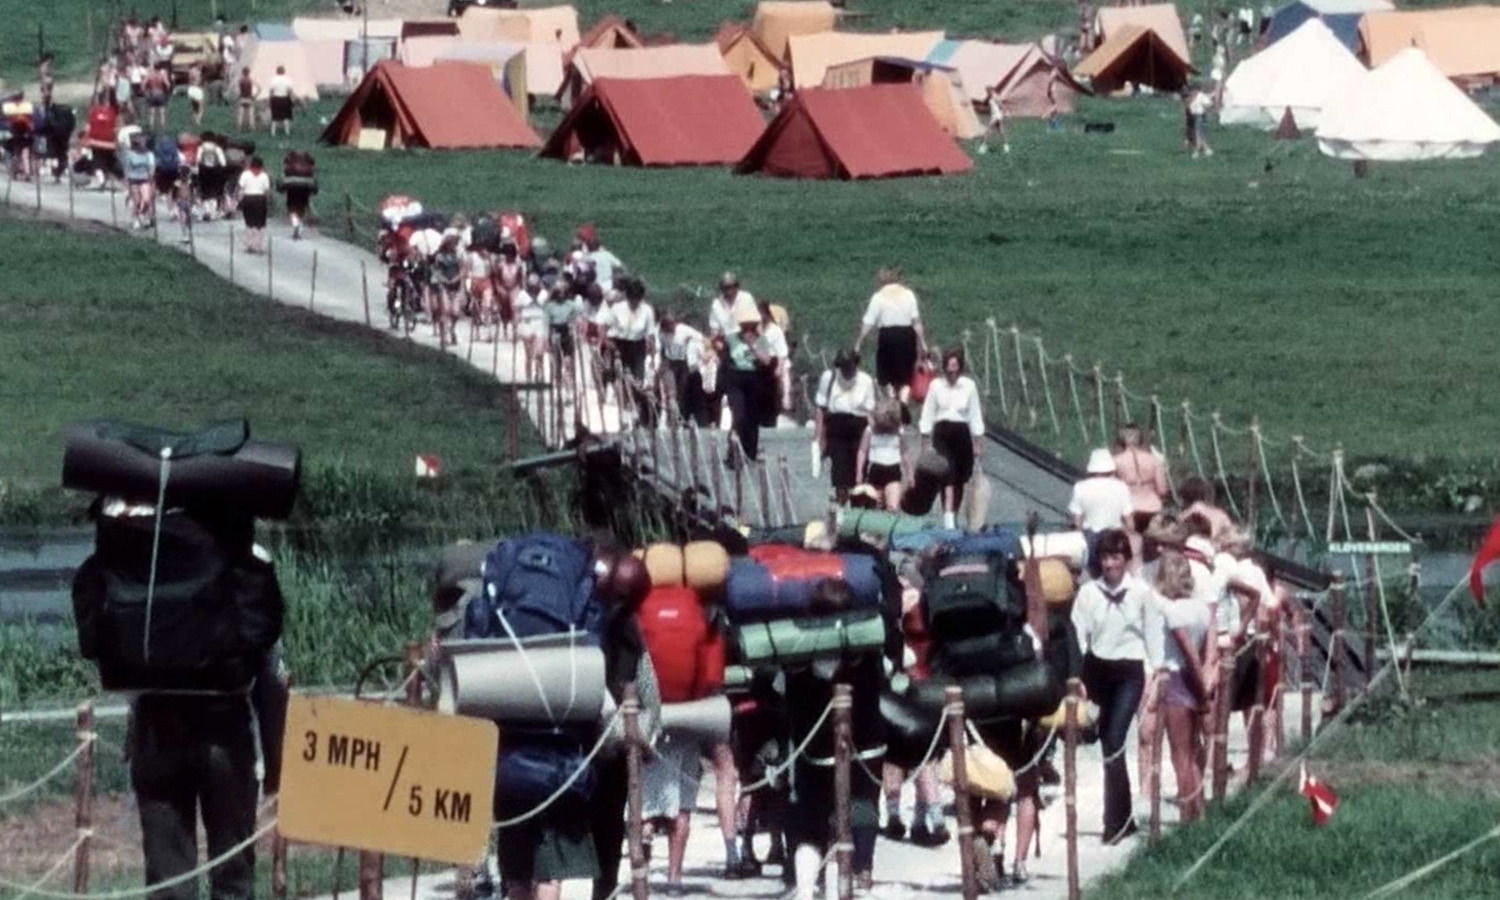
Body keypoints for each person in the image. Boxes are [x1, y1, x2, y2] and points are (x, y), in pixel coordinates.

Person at [785, 579, 886, 899]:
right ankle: (861, 879)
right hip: (864, 744)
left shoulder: (797, 648)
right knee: (864, 808)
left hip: (811, 747)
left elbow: (778, 692)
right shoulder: (864, 648)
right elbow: (882, 682)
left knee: (810, 819)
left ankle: (805, 889)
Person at [1072, 529, 1151, 844]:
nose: (1110, 564)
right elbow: (1079, 636)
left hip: (1129, 671)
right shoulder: (1089, 594)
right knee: (1103, 741)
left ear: (1126, 560)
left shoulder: (1142, 593)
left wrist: (1153, 677)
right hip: (1098, 668)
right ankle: (1125, 817)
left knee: (1114, 739)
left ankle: (1114, 822)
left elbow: (1152, 638)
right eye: (1104, 558)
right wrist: (1077, 676)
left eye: (1116, 557)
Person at [1145, 550, 1212, 823]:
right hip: (1193, 680)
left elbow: (1189, 654)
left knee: (1180, 754)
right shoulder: (1201, 608)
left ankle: (1187, 815)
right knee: (1193, 751)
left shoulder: (1173, 612)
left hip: (1178, 679)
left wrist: (1202, 692)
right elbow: (1205, 650)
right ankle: (1200, 812)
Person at [918, 349, 984, 531]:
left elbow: (974, 414)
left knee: (960, 478)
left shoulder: (969, 386)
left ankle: (953, 513)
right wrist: (925, 440)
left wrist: (978, 442)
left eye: (954, 370)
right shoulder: (936, 386)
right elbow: (928, 412)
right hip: (942, 432)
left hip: (961, 433)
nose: (951, 374)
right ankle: (947, 518)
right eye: (948, 370)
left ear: (960, 369)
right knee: (947, 474)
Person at [854, 268, 927, 400]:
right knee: (906, 377)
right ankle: (904, 401)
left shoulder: (879, 297)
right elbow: (916, 322)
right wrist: (923, 343)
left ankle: (892, 399)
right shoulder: (908, 294)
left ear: (882, 282)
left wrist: (858, 343)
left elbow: (868, 322)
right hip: (906, 335)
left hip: (888, 336)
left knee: (888, 377)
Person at [814, 349, 876, 504]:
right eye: (842, 366)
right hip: (837, 427)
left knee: (859, 473)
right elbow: (820, 408)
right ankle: (840, 509)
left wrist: (875, 437)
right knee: (840, 474)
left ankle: (857, 511)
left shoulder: (865, 381)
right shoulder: (829, 378)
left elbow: (869, 412)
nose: (846, 369)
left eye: (849, 365)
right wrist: (818, 437)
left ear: (855, 364)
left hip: (859, 428)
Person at [721, 308, 774, 465]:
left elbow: (766, 361)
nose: (748, 331)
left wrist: (753, 346)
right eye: (745, 327)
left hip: (754, 377)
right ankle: (733, 453)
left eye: (752, 327)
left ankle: (750, 452)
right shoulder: (731, 339)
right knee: (739, 416)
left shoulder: (761, 340)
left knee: (752, 418)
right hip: (736, 378)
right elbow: (724, 358)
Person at [1070, 448, 1134, 575]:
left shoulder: (1080, 487)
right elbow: (1129, 521)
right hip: (1114, 536)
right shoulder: (1121, 487)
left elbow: (1076, 520)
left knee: (1091, 571)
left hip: (1090, 536)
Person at [612, 279, 658, 426]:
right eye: (632, 298)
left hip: (637, 345)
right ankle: (622, 411)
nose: (634, 301)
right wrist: (614, 351)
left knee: (638, 379)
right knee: (621, 377)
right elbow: (608, 332)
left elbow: (650, 334)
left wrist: (652, 353)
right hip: (619, 344)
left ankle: (636, 410)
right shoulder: (617, 308)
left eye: (637, 298)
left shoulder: (647, 310)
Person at [1114, 424, 1168, 534]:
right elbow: (1162, 490)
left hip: (1129, 507)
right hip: (1152, 506)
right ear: (1140, 439)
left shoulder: (1117, 461)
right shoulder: (1153, 460)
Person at [658, 314, 710, 426]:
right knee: (671, 392)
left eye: (672, 327)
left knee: (682, 391)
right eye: (667, 328)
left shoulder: (683, 330)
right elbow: (660, 348)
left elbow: (702, 338)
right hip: (669, 362)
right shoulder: (661, 333)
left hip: (682, 363)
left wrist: (707, 352)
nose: (670, 330)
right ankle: (671, 420)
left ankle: (680, 419)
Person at [860, 399, 909, 512]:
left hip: (893, 471)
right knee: (874, 506)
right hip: (875, 471)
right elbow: (862, 451)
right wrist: (859, 472)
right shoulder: (870, 431)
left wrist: (910, 475)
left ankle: (890, 523)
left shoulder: (899, 432)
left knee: (892, 507)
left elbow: (904, 453)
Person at [431, 235, 465, 346]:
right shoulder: (440, 257)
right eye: (453, 244)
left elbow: (462, 270)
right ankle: (443, 337)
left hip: (455, 286)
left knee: (455, 312)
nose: (454, 246)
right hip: (443, 286)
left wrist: (457, 279)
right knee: (445, 311)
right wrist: (444, 279)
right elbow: (436, 271)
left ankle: (452, 328)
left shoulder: (458, 256)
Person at [122, 131, 156, 230]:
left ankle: (142, 214)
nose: (143, 144)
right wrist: (126, 181)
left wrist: (151, 175)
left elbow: (150, 166)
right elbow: (126, 168)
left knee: (146, 200)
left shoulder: (147, 154)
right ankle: (135, 219)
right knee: (136, 201)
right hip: (133, 179)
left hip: (144, 178)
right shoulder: (129, 154)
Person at [707, 271, 757, 338]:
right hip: (726, 340)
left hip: (747, 336)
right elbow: (714, 329)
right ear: (721, 288)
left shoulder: (746, 298)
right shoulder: (716, 305)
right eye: (725, 287)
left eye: (731, 286)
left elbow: (755, 322)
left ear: (736, 286)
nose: (729, 290)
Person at [237, 156, 271, 254]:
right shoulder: (264, 176)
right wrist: (268, 202)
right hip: (260, 199)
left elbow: (240, 186)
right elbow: (267, 190)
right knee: (260, 224)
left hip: (248, 198)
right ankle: (258, 246)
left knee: (249, 223)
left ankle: (249, 245)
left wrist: (239, 199)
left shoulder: (245, 174)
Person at [280, 150, 316, 240]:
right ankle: (299, 228)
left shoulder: (289, 159)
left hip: (292, 186)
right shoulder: (309, 161)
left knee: (292, 209)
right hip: (305, 187)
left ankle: (295, 224)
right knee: (302, 208)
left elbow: (284, 170)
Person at [267, 66, 295, 136]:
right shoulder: (287, 79)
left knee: (275, 116)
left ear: (277, 71)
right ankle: (287, 131)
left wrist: (270, 99)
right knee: (286, 116)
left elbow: (271, 91)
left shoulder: (274, 79)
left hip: (276, 98)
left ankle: (273, 132)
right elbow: (290, 91)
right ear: (284, 71)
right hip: (285, 98)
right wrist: (292, 99)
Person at [981, 86, 1009, 154]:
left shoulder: (995, 97)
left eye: (988, 91)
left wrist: (1006, 112)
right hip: (994, 116)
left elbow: (1001, 105)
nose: (987, 93)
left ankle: (983, 146)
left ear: (991, 91)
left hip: (997, 116)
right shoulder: (990, 98)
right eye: (987, 92)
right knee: (1001, 131)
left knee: (988, 131)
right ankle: (1006, 145)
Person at [143, 64, 170, 131]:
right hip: (160, 93)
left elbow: (143, 84)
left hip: (152, 93)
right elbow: (168, 84)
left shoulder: (150, 75)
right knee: (161, 112)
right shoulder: (162, 76)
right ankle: (162, 126)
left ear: (154, 68)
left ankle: (151, 126)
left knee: (152, 112)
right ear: (160, 69)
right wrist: (167, 91)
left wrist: (145, 92)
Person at [235, 67, 259, 132]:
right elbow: (259, 88)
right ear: (249, 73)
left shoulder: (240, 80)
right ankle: (252, 127)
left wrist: (238, 96)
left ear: (242, 73)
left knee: (241, 114)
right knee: (251, 114)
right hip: (249, 98)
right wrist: (255, 96)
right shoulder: (251, 80)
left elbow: (237, 90)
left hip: (242, 98)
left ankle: (239, 127)